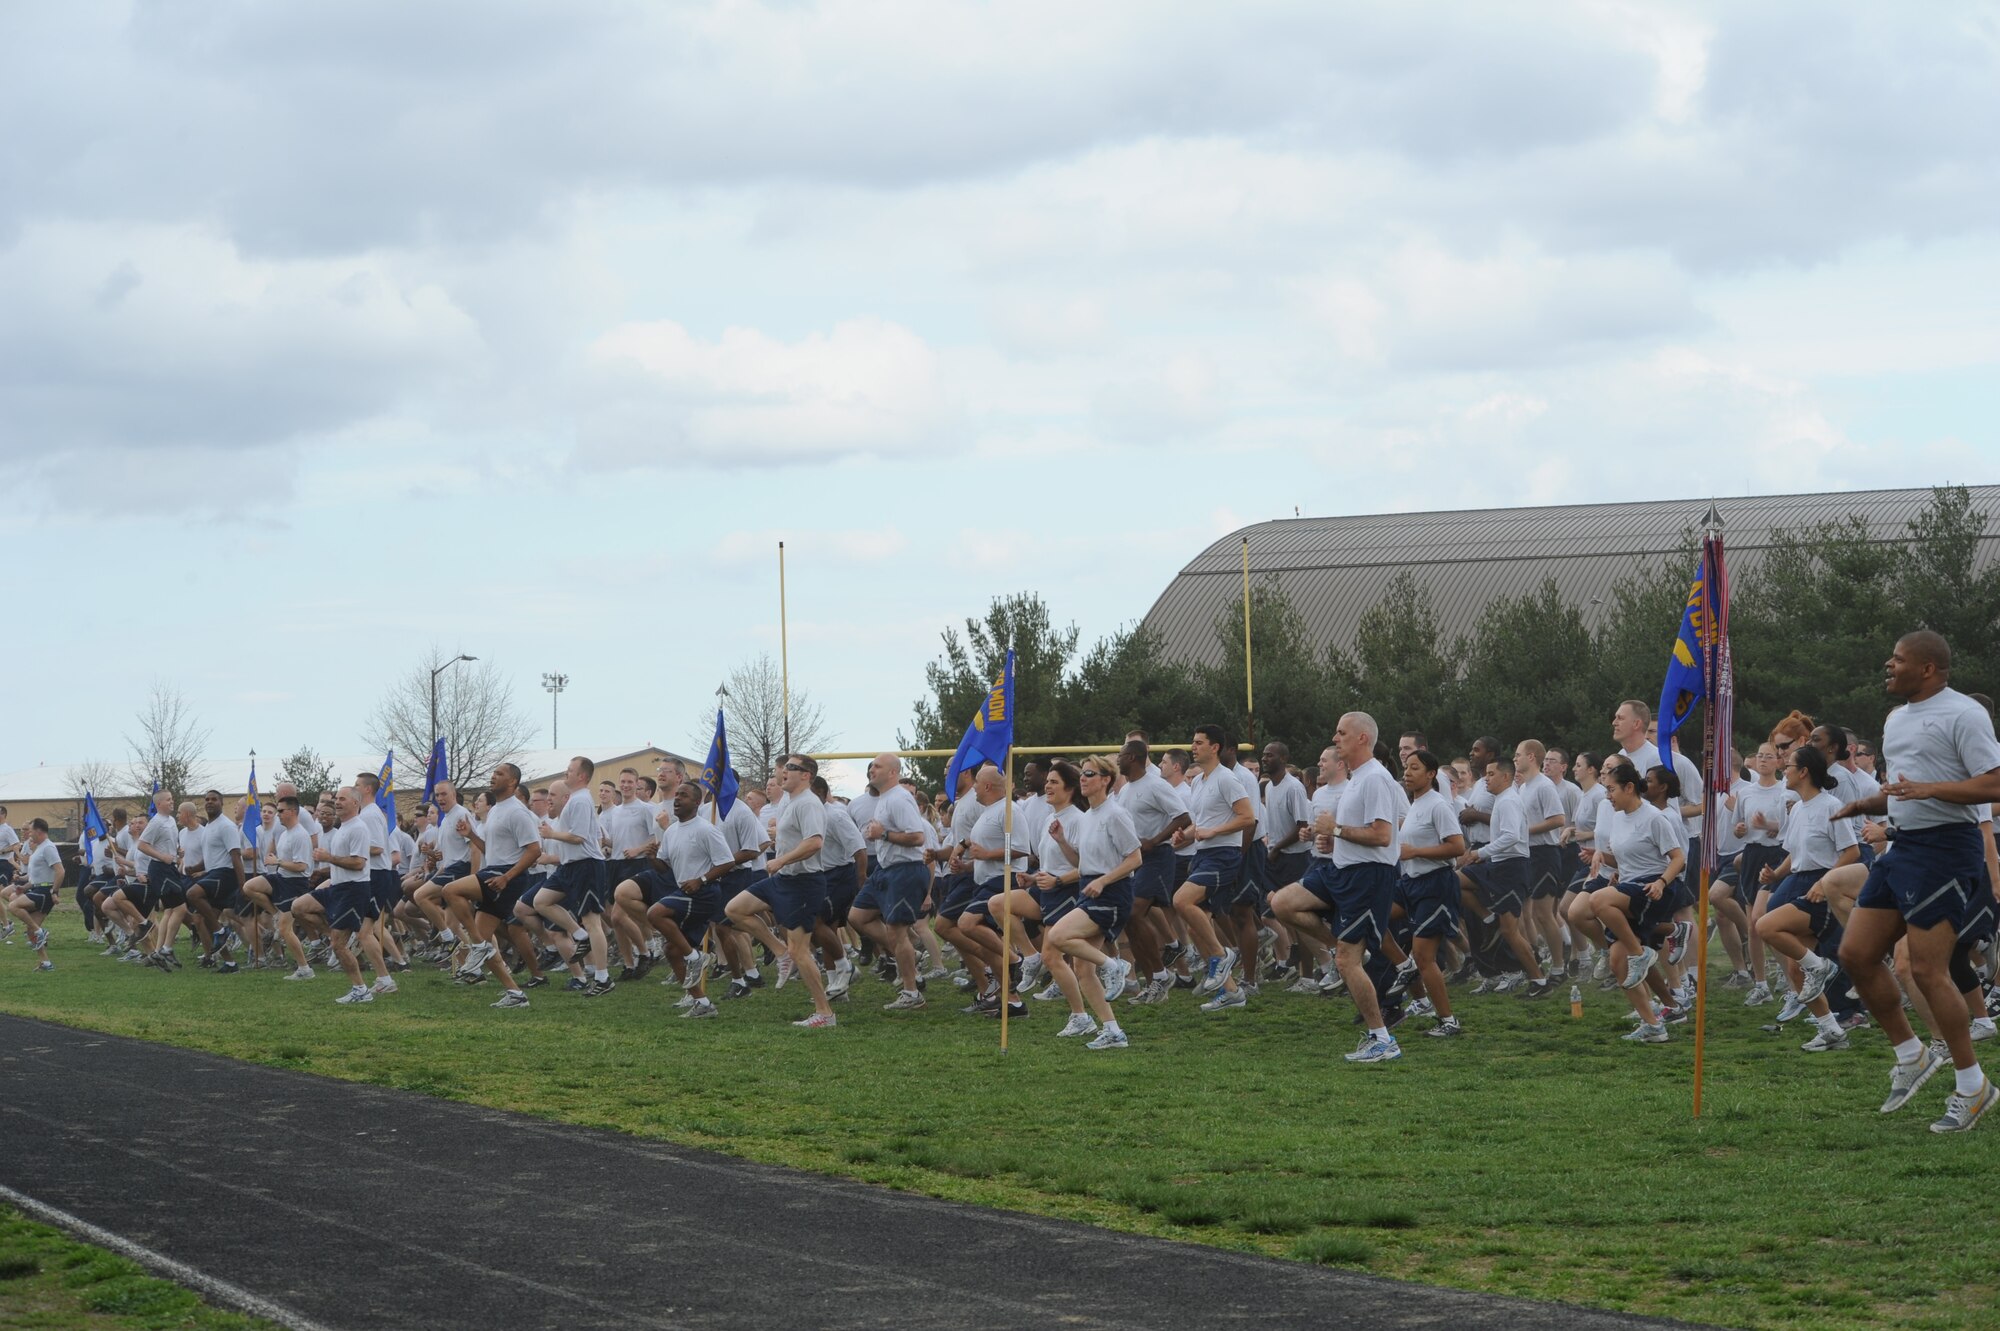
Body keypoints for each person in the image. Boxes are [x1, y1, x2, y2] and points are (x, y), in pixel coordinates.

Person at [1834, 632, 2000, 1131]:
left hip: (1947, 849)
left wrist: (1933, 790)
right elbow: (1907, 791)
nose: (1889, 663)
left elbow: (1994, 782)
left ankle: (1973, 1087)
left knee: (1928, 971)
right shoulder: (1895, 718)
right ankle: (1912, 1054)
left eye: (1899, 659)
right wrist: (1870, 803)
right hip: (1903, 845)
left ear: (1928, 668)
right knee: (1856, 955)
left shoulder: (1964, 714)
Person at [1753, 744, 1861, 1051]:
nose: (1783, 769)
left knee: (1765, 926)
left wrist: (1826, 882)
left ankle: (1821, 967)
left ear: (1804, 772)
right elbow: (1793, 853)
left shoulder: (1830, 806)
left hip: (1822, 885)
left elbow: (1852, 852)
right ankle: (1832, 1031)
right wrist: (1776, 874)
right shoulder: (1798, 807)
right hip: (1799, 879)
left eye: (1788, 766)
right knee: (1795, 969)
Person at [724, 755, 839, 1029]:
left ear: (806, 775)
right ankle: (780, 952)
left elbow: (814, 843)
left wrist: (781, 859)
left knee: (801, 950)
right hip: (782, 878)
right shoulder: (791, 801)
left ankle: (825, 1013)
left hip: (803, 883)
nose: (784, 772)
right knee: (733, 910)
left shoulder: (809, 803)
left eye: (791, 768)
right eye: (784, 767)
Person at [1039, 754, 1142, 1049]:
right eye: (1082, 774)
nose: (1082, 778)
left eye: (1089, 774)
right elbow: (1082, 862)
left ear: (1105, 780)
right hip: (1090, 888)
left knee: (1058, 936)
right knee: (1083, 969)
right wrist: (1061, 842)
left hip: (1112, 893)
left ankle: (1115, 965)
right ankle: (1113, 1031)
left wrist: (1103, 880)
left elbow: (1135, 858)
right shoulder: (1088, 817)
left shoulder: (1115, 814)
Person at [1586, 761, 1688, 1044]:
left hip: (1652, 888)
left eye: (1611, 789)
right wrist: (1608, 864)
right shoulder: (1618, 817)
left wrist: (1660, 882)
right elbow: (1626, 857)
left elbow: (1678, 859)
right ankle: (1654, 1025)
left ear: (1629, 788)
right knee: (1619, 963)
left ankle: (1643, 952)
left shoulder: (1654, 818)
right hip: (1630, 885)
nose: (1608, 796)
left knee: (1595, 902)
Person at [443, 763, 540, 1008]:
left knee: (449, 890)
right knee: (486, 944)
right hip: (494, 870)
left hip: (504, 877)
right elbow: (492, 851)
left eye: (500, 774)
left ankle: (477, 945)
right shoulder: (497, 810)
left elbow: (534, 850)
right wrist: (471, 836)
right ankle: (515, 994)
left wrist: (507, 877)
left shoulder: (518, 812)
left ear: (513, 782)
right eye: (493, 773)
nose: (493, 776)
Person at [1170, 725, 1255, 1001]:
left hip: (1222, 855)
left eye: (1198, 743)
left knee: (1181, 901)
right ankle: (1231, 992)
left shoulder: (1226, 779)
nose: (1193, 747)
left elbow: (1247, 818)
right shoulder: (1199, 781)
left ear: (1215, 747)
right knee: (1195, 926)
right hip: (1203, 854)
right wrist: (1186, 835)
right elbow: (1202, 824)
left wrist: (1213, 831)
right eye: (1193, 742)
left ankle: (1223, 954)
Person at [851, 753, 932, 1012]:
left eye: (877, 766)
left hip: (904, 870)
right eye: (871, 766)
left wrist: (882, 834)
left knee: (896, 932)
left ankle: (911, 992)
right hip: (885, 870)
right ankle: (909, 951)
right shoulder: (885, 799)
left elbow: (918, 837)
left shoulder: (899, 798)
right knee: (857, 917)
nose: (871, 770)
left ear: (893, 772)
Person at [1393, 751, 1466, 1035]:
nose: (1407, 773)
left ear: (1431, 774)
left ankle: (1448, 1021)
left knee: (1425, 957)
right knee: (1375, 916)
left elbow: (1457, 847)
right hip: (1410, 883)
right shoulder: (1415, 804)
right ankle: (1406, 970)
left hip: (1435, 884)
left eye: (1415, 768)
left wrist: (1416, 852)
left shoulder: (1438, 805)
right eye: (1406, 768)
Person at [1115, 740, 1192, 1005]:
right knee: (1129, 917)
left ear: (1134, 758)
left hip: (1157, 858)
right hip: (1134, 860)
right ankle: (1156, 979)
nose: (1117, 760)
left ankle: (1162, 971)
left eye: (1121, 755)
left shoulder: (1156, 784)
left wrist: (1154, 840)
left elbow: (1183, 816)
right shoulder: (1125, 790)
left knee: (1134, 912)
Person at [294, 787, 386, 1005]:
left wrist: (329, 857)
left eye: (342, 799)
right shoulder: (343, 827)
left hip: (353, 889)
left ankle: (360, 989)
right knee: (299, 907)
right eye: (336, 799)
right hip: (337, 887)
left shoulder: (358, 828)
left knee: (338, 946)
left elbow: (358, 862)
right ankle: (335, 932)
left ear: (356, 803)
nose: (337, 802)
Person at [8, 819, 63, 971]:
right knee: (31, 930)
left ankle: (40, 931)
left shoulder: (48, 848)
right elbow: (35, 877)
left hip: (45, 892)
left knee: (13, 905)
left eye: (31, 830)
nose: (29, 834)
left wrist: (55, 891)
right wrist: (24, 887)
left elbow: (60, 871)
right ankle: (46, 963)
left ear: (39, 831)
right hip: (37, 888)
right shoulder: (39, 848)